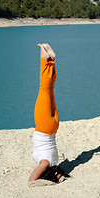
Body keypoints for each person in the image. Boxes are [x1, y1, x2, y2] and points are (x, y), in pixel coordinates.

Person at [29, 43, 62, 184]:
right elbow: (31, 181)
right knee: (44, 89)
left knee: (50, 89)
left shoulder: (54, 161)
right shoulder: (45, 162)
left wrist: (56, 178)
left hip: (54, 127)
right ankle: (44, 59)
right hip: (44, 128)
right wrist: (48, 181)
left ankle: (51, 61)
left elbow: (57, 173)